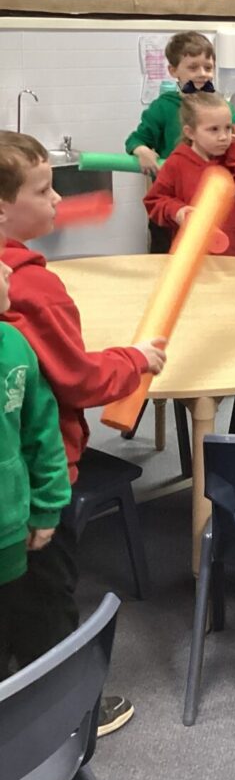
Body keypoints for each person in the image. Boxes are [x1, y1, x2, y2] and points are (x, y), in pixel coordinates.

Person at [0, 131, 167, 735]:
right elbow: (77, 379)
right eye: (44, 191)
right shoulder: (30, 285)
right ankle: (66, 717)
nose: (57, 201)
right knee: (46, 598)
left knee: (13, 596)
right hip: (35, 483)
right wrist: (135, 359)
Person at [125, 31, 235, 252]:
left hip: (225, 235)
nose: (202, 74)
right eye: (193, 67)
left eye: (208, 67)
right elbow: (136, 139)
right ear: (173, 71)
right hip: (178, 205)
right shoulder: (164, 108)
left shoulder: (221, 108)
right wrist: (141, 150)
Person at [0, 261, 72, 678]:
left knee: (22, 619)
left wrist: (46, 507)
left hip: (12, 532)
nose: (7, 268)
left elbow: (41, 432)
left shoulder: (13, 345)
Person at [143, 93, 235, 258]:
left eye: (228, 128)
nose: (223, 137)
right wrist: (177, 211)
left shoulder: (234, 160)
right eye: (213, 129)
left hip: (234, 257)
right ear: (190, 133)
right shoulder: (177, 163)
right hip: (191, 258)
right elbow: (154, 201)